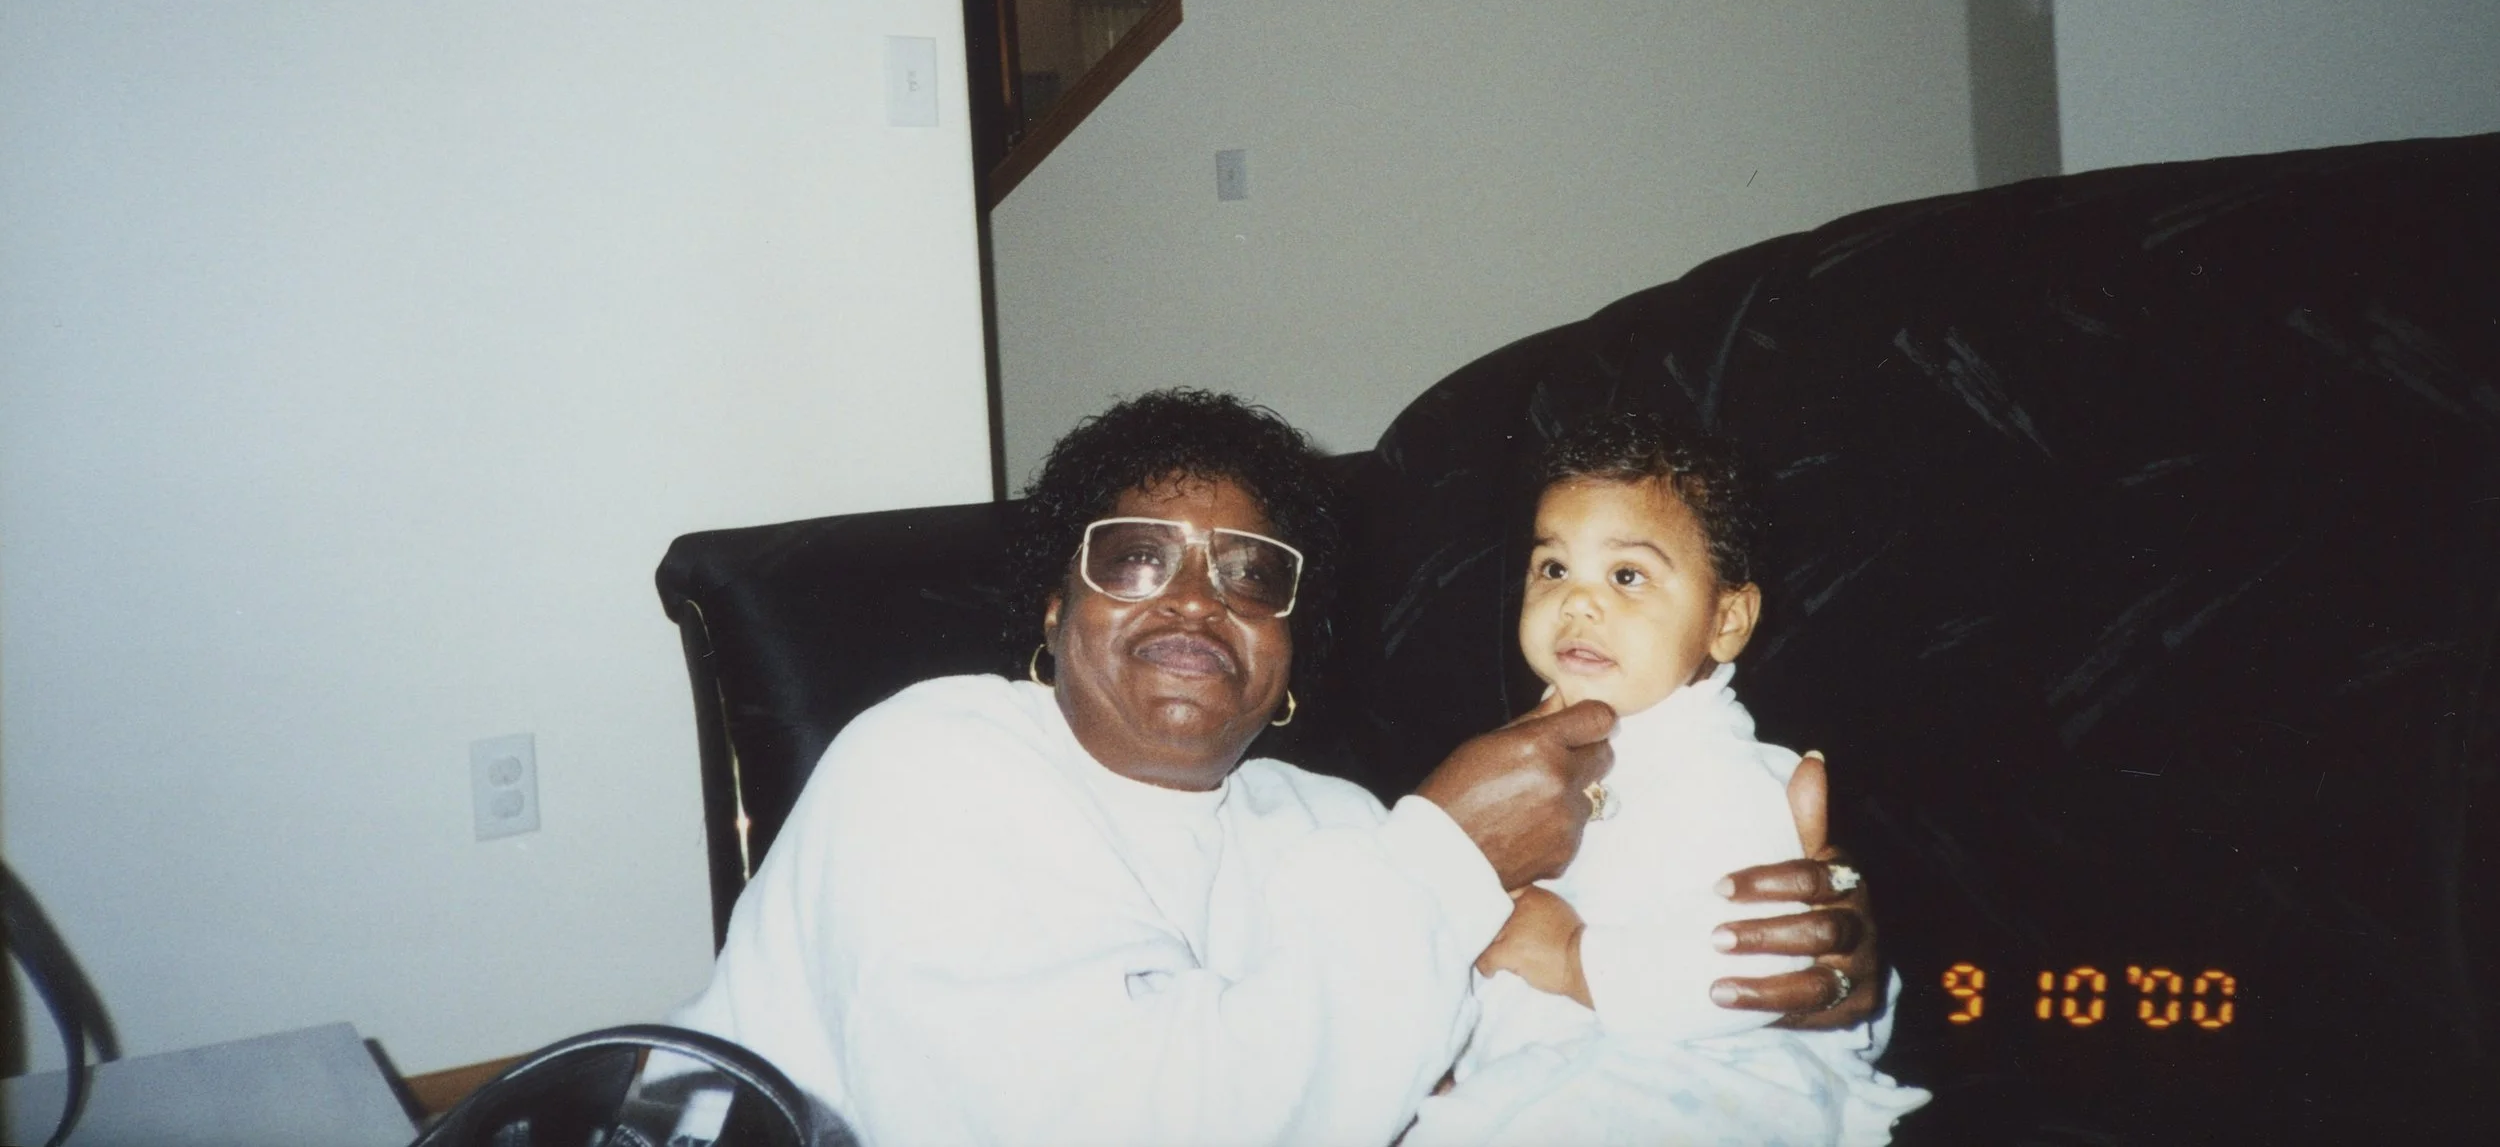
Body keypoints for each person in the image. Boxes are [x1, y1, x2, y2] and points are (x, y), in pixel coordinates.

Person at [673, 389, 1881, 1147]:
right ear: (1053, 610)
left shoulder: (1335, 823)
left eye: (1251, 572)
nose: (1197, 597)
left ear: (1289, 646)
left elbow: (1549, 1042)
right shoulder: (928, 761)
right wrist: (1448, 855)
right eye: (1137, 557)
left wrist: (1817, 983)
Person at [1406, 414, 1925, 1147]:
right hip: (1557, 1070)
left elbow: (1763, 961)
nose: (1578, 601)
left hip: (1725, 1079)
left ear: (1727, 620)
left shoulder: (1729, 773)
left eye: (1627, 575)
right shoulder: (1507, 764)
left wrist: (1572, 958)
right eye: (1554, 568)